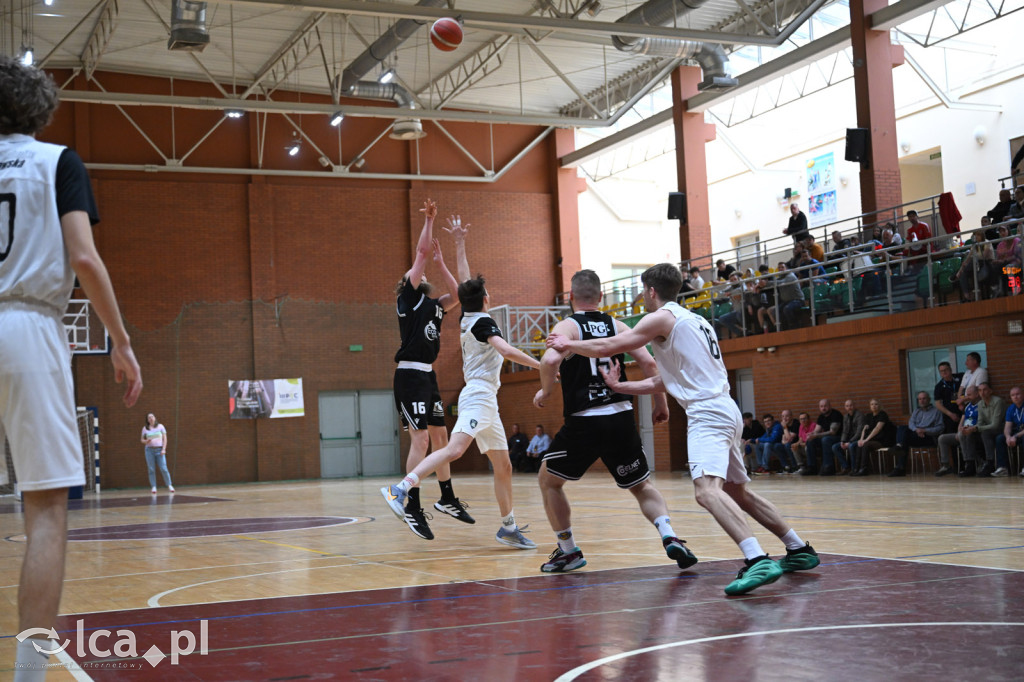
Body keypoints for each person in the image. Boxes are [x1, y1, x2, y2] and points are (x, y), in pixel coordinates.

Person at [547, 263, 819, 596]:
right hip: (726, 408)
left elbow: (608, 346)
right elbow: (666, 379)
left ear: (651, 291)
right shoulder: (696, 321)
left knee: (706, 492)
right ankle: (798, 548)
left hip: (707, 414)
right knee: (737, 492)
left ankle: (757, 559)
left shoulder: (660, 318)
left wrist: (568, 343)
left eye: (643, 292)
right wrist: (620, 387)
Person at [0, 55, 143, 678]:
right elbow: (83, 257)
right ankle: (28, 674)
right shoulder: (57, 161)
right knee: (46, 510)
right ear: (41, 110)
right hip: (28, 327)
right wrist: (121, 341)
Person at [381, 219, 541, 549]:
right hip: (466, 392)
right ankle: (402, 489)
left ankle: (506, 526)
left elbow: (463, 288)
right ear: (487, 299)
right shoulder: (477, 320)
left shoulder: (460, 313)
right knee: (449, 448)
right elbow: (506, 350)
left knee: (503, 465)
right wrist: (543, 365)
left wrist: (457, 246)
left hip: (480, 396)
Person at [531, 269, 697, 573]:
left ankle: (568, 551)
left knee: (549, 481)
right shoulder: (617, 325)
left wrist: (546, 390)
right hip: (621, 417)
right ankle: (670, 535)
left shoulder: (568, 326)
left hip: (584, 421)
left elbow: (551, 360)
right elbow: (648, 363)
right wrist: (661, 404)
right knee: (642, 485)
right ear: (601, 296)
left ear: (571, 297)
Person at [391, 201, 472, 541]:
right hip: (409, 375)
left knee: (442, 438)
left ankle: (447, 498)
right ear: (408, 283)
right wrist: (429, 220)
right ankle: (410, 504)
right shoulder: (408, 299)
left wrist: (442, 262)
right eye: (416, 273)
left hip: (428, 375)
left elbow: (460, 294)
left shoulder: (435, 305)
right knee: (421, 438)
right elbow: (421, 252)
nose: (420, 274)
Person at [886, 392, 945, 477]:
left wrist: (925, 430)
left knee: (904, 439)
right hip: (916, 435)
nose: (922, 401)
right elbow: (911, 423)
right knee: (902, 429)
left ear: (929, 399)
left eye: (924, 398)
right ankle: (899, 449)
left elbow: (940, 428)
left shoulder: (936, 411)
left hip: (929, 437)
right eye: (920, 399)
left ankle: (900, 467)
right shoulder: (916, 411)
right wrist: (917, 430)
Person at [850, 399, 896, 475]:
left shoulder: (882, 414)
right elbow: (864, 429)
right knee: (859, 445)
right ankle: (856, 469)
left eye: (876, 404)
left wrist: (866, 440)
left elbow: (877, 429)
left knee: (865, 445)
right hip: (871, 440)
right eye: (872, 404)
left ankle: (863, 469)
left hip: (882, 440)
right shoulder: (868, 416)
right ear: (870, 406)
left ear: (879, 405)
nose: (874, 406)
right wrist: (861, 439)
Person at [802, 399, 842, 476]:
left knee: (825, 439)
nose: (823, 408)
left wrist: (816, 435)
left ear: (830, 406)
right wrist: (811, 434)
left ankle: (828, 467)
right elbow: (817, 430)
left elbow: (832, 432)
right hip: (826, 438)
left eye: (825, 406)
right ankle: (812, 467)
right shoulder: (821, 416)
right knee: (810, 441)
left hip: (837, 437)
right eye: (821, 406)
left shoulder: (836, 414)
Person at [994, 386, 1024, 478]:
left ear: (1023, 395)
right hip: (1016, 433)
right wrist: (1008, 437)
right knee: (1000, 438)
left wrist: (1015, 436)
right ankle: (1003, 468)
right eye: (1013, 395)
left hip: (1021, 434)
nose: (1015, 397)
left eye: (1018, 394)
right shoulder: (1011, 408)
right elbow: (1007, 427)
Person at [141, 413, 174, 494]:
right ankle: (153, 486)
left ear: (155, 418)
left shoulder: (160, 426)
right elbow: (142, 440)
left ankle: (169, 485)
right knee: (151, 469)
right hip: (149, 450)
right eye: (149, 417)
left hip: (159, 450)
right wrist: (146, 441)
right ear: (147, 420)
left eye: (152, 416)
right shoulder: (145, 428)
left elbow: (165, 438)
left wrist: (164, 449)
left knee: (163, 468)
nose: (151, 418)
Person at [831, 400, 865, 475]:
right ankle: (845, 467)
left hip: (858, 439)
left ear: (854, 406)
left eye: (851, 405)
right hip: (848, 440)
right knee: (835, 447)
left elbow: (859, 432)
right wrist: (842, 441)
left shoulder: (860, 415)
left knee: (851, 446)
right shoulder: (845, 417)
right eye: (847, 406)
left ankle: (854, 469)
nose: (849, 407)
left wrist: (850, 442)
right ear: (845, 407)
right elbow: (845, 431)